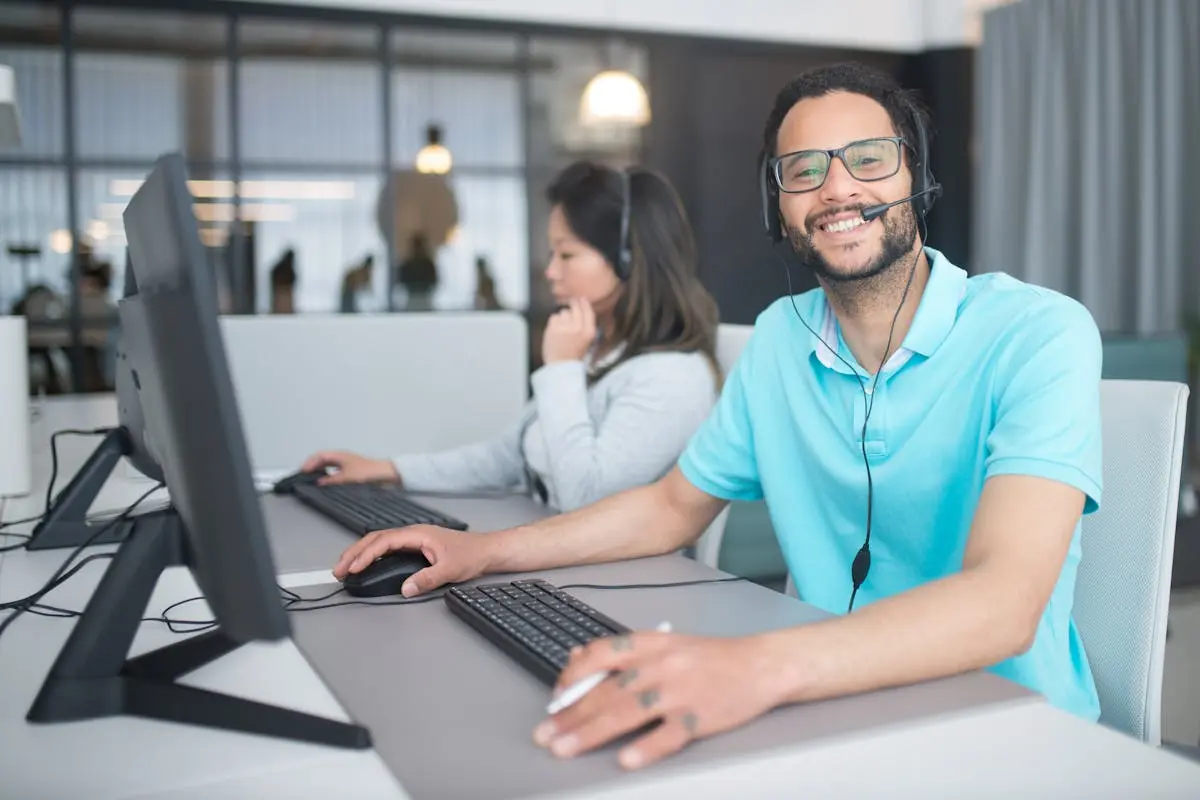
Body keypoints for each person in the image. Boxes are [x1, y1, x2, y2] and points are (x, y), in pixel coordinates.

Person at [330, 62, 1106, 770]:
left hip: (1009, 733)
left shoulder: (1038, 332)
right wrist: (482, 553)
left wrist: (750, 666)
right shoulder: (779, 339)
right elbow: (671, 508)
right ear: (780, 204)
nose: (837, 190)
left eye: (868, 158)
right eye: (803, 171)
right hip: (829, 708)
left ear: (918, 177)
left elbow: (1006, 603)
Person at [302, 161, 722, 513]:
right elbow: (508, 456)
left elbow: (587, 499)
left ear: (629, 260)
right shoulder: (602, 353)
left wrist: (561, 368)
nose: (551, 271)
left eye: (568, 254)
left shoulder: (670, 377)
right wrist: (388, 469)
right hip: (557, 556)